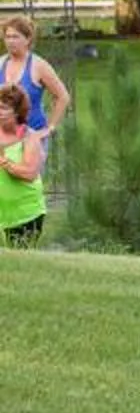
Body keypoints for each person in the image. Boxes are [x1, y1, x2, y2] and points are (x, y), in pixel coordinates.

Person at [0, 15, 70, 137]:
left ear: (27, 39)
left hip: (33, 136)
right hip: (4, 137)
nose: (10, 41)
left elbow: (63, 97)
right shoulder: (1, 63)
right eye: (7, 37)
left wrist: (50, 128)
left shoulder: (39, 66)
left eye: (15, 37)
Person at [0, 84, 47, 246]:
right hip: (2, 214)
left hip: (26, 213)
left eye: (4, 108)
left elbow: (29, 174)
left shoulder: (29, 137)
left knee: (19, 262)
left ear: (17, 111)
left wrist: (4, 162)